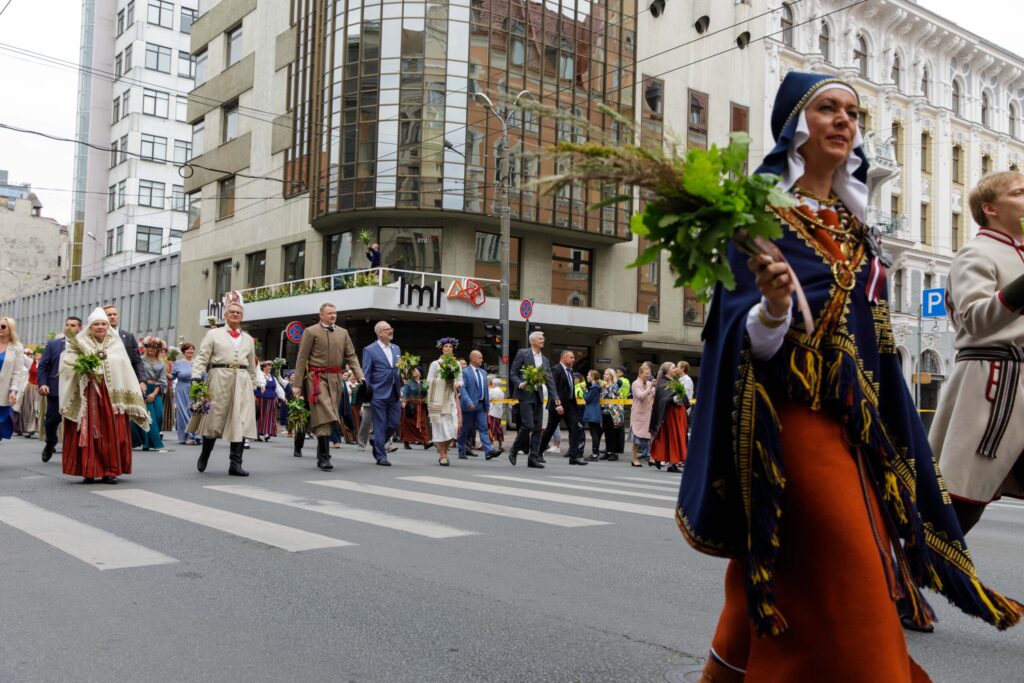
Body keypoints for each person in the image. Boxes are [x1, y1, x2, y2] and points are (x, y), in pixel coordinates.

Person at [680, 72, 1021, 683]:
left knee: (777, 570)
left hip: (858, 429)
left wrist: (888, 426)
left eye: (853, 113)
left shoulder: (855, 226)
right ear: (795, 126)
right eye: (828, 109)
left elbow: (874, 342)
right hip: (791, 425)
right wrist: (774, 309)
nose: (844, 120)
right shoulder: (759, 218)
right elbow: (739, 338)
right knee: (856, 575)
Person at [931, 171, 1024, 535]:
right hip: (992, 388)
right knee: (957, 510)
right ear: (990, 209)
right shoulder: (976, 252)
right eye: (1019, 192)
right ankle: (909, 567)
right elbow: (975, 319)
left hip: (1013, 386)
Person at [58, 308, 148, 484]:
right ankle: (88, 470)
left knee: (112, 433)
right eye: (96, 324)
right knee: (88, 432)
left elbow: (125, 369)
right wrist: (83, 369)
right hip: (87, 394)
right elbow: (67, 365)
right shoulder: (79, 342)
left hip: (111, 396)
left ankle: (110, 471)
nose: (100, 327)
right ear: (90, 327)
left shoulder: (116, 344)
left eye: (103, 324)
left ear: (108, 326)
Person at [192, 301, 264, 476]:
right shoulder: (213, 334)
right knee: (214, 418)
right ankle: (205, 454)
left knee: (240, 420)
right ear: (225, 315)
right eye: (232, 311)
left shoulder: (248, 338)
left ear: (242, 316)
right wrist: (196, 377)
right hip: (218, 376)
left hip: (242, 380)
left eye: (238, 312)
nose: (235, 314)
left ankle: (235, 464)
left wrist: (254, 386)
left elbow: (252, 365)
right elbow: (202, 357)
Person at [292, 303, 365, 470]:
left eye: (335, 313)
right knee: (325, 413)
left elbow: (351, 356)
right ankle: (325, 457)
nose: (333, 316)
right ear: (321, 315)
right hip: (316, 379)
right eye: (329, 313)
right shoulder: (310, 331)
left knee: (331, 416)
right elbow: (302, 358)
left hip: (336, 379)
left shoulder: (343, 333)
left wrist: (360, 375)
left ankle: (321, 453)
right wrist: (297, 384)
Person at [509, 331, 560, 468]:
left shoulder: (545, 360)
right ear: (532, 341)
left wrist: (556, 398)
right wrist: (519, 383)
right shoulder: (522, 353)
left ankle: (533, 458)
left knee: (538, 428)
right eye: (540, 338)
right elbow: (513, 373)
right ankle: (514, 449)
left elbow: (549, 381)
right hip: (525, 394)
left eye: (543, 338)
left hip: (538, 395)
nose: (543, 340)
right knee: (528, 425)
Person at [37, 316, 82, 461]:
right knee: (51, 421)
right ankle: (50, 442)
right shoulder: (54, 345)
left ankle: (74, 451)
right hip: (56, 389)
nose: (69, 328)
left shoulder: (85, 344)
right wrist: (43, 383)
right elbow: (43, 366)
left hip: (77, 390)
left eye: (73, 325)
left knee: (76, 422)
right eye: (67, 325)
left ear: (80, 328)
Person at [103, 305, 146, 447]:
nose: (112, 317)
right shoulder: (99, 336)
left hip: (127, 380)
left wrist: (142, 380)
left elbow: (137, 360)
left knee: (124, 412)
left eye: (114, 314)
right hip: (108, 380)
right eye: (109, 315)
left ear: (118, 316)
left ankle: (122, 441)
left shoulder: (128, 336)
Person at [360, 320, 402, 466]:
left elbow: (398, 370)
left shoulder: (396, 348)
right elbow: (366, 373)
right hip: (378, 393)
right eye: (386, 329)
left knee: (394, 423)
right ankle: (381, 456)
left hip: (394, 392)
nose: (390, 331)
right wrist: (368, 392)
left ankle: (377, 441)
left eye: (391, 328)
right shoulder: (369, 350)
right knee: (380, 424)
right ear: (379, 333)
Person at [540, 350, 587, 465]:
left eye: (573, 357)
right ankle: (538, 453)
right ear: (563, 358)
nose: (573, 360)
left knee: (574, 429)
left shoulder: (570, 371)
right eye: (571, 357)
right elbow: (553, 388)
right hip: (558, 405)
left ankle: (574, 457)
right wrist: (558, 404)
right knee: (550, 430)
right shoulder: (556, 369)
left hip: (570, 405)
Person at [458, 349, 503, 461]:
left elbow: (486, 390)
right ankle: (461, 449)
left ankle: (488, 451)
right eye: (480, 358)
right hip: (469, 406)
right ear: (473, 359)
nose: (482, 360)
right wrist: (468, 402)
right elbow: (462, 388)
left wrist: (487, 406)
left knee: (484, 428)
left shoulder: (483, 372)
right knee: (465, 428)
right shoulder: (465, 372)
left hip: (481, 406)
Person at [426, 338, 463, 466]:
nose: (448, 348)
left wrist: (456, 384)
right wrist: (443, 380)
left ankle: (444, 450)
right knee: (441, 428)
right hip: (438, 398)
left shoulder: (456, 364)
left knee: (453, 428)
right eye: (446, 346)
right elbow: (429, 380)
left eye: (450, 347)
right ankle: (443, 455)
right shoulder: (435, 364)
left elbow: (461, 380)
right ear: (441, 349)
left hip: (451, 399)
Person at [650, 362, 687, 473]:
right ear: (667, 370)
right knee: (673, 437)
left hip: (678, 413)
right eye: (673, 367)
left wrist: (681, 396)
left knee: (676, 437)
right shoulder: (663, 382)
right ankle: (671, 463)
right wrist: (676, 398)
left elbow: (682, 396)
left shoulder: (674, 381)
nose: (675, 368)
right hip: (671, 414)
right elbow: (664, 399)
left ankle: (670, 462)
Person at [138, 336, 168, 451]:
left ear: (158, 350)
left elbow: (162, 380)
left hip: (156, 390)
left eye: (154, 348)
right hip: (142, 388)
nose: (151, 349)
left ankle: (149, 440)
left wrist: (154, 394)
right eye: (149, 347)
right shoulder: (140, 360)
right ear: (145, 347)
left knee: (158, 415)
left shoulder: (162, 363)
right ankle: (148, 442)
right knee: (147, 416)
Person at [0, 317, 27, 442]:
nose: (0, 328)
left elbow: (17, 372)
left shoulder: (17, 347)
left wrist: (13, 391)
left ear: (10, 329)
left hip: (3, 391)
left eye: (3, 326)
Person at [171, 343, 201, 445]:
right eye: (188, 349)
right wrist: (166, 373)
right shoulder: (177, 363)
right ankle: (188, 436)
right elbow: (172, 377)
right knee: (184, 412)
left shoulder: (198, 362)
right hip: (182, 389)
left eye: (192, 349)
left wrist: (203, 390)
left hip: (196, 389)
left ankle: (196, 436)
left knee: (195, 412)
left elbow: (204, 376)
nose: (190, 351)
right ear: (183, 351)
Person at [628, 362, 657, 468]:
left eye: (649, 373)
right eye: (646, 373)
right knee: (637, 438)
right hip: (638, 415)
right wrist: (650, 388)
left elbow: (653, 394)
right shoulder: (635, 383)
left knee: (650, 437)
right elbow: (640, 396)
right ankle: (634, 459)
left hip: (648, 414)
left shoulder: (649, 383)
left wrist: (655, 387)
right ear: (640, 373)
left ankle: (652, 458)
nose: (648, 375)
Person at [400, 367, 432, 449]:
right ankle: (406, 442)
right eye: (413, 370)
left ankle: (425, 442)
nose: (414, 372)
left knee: (423, 424)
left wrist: (428, 399)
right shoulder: (410, 382)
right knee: (408, 424)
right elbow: (405, 391)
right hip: (411, 406)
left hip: (421, 407)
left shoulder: (424, 382)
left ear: (420, 373)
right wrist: (404, 401)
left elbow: (428, 393)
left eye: (416, 370)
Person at [255, 360, 286, 441]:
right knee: (261, 416)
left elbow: (278, 388)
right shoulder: (259, 376)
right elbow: (256, 384)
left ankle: (266, 433)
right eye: (268, 366)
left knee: (269, 417)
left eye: (270, 366)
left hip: (271, 400)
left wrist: (282, 397)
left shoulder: (273, 378)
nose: (270, 367)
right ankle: (257, 433)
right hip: (261, 399)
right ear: (263, 367)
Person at [599, 368, 624, 461]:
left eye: (606, 374)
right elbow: (601, 397)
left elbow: (612, 397)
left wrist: (605, 389)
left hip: (613, 413)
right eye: (604, 374)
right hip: (604, 411)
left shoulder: (614, 386)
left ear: (611, 376)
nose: (604, 375)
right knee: (607, 432)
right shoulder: (603, 386)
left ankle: (614, 453)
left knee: (613, 433)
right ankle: (608, 451)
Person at [16, 348, 42, 437]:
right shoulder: (30, 362)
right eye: (36, 354)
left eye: (39, 354)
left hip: (40, 388)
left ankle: (39, 428)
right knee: (29, 408)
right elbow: (22, 356)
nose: (37, 356)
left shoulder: (45, 363)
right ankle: (29, 428)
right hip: (31, 387)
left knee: (39, 408)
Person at [582, 370, 603, 460]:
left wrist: (584, 390)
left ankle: (594, 454)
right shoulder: (597, 387)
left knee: (594, 433)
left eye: (588, 375)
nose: (587, 376)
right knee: (596, 433)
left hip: (592, 412)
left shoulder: (594, 387)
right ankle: (596, 452)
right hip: (596, 412)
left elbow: (587, 398)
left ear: (593, 377)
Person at [487, 376, 505, 452]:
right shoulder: (501, 392)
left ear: (494, 384)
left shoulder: (493, 391)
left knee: (491, 429)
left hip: (492, 412)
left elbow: (488, 398)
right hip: (499, 413)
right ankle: (500, 445)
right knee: (499, 429)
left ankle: (491, 445)